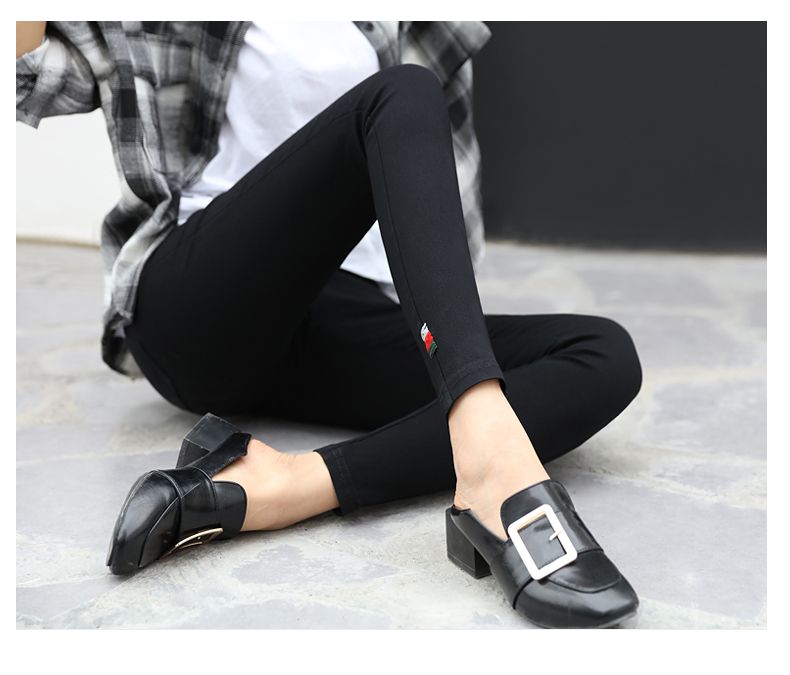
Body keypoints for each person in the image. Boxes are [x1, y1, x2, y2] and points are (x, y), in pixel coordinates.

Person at [17, 21, 643, 629]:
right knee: (403, 91)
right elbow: (28, 74)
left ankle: (289, 485)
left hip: (350, 309)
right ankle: (494, 471)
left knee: (601, 353)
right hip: (207, 305)